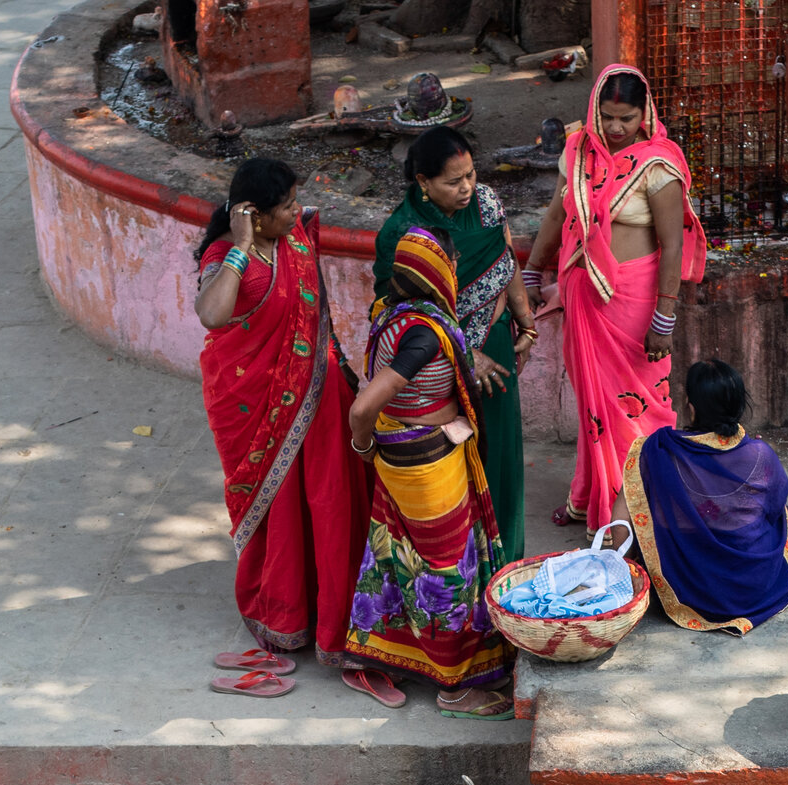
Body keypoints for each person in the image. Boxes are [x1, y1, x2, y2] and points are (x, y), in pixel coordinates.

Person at [193, 157, 370, 701]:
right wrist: (243, 244)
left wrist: (341, 368)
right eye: (287, 206)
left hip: (318, 392)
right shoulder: (228, 257)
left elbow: (318, 318)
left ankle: (334, 609)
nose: (299, 212)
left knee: (330, 503)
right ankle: (283, 609)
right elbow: (211, 314)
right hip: (256, 409)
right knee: (281, 510)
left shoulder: (295, 240)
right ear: (253, 215)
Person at [523, 64, 708, 529]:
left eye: (626, 117)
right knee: (595, 405)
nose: (616, 128)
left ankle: (645, 514)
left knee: (640, 408)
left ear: (644, 113)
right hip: (584, 299)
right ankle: (590, 500)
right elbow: (555, 217)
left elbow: (673, 246)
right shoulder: (579, 153)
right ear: (594, 112)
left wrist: (664, 319)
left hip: (635, 305)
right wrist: (531, 272)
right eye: (607, 116)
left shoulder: (658, 165)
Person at [343, 226, 515, 718]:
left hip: (411, 450)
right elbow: (363, 407)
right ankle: (454, 687)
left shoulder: (393, 310)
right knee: (444, 570)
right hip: (421, 460)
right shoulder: (420, 335)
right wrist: (363, 446)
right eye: (453, 262)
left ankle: (392, 654)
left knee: (401, 554)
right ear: (438, 269)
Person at [374, 127, 535, 572]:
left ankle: (507, 565)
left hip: (496, 350)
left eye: (469, 174)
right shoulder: (402, 233)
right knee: (457, 464)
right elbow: (398, 314)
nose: (466, 187)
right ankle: (465, 574)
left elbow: (506, 260)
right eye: (452, 180)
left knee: (500, 454)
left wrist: (526, 321)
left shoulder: (484, 202)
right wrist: (465, 353)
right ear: (422, 182)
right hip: (437, 367)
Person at [622, 360, 788, 633]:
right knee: (783, 517)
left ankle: (628, 576)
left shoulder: (656, 450)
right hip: (755, 587)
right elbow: (774, 508)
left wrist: (621, 575)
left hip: (692, 589)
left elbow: (624, 514)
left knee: (634, 487)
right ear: (738, 405)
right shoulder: (760, 455)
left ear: (691, 406)